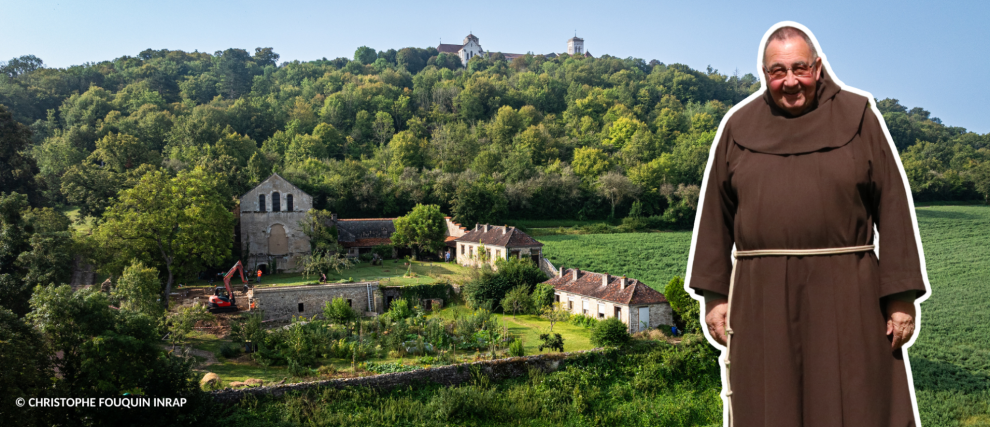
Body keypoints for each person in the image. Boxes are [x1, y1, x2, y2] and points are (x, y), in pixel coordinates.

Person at [687, 24, 927, 427]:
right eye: (778, 71)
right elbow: (715, 215)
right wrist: (715, 296)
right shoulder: (738, 126)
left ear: (817, 67)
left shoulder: (859, 116)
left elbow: (894, 206)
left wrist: (901, 298)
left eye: (799, 68)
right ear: (764, 75)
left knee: (857, 397)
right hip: (760, 294)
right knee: (770, 401)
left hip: (848, 290)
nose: (790, 81)